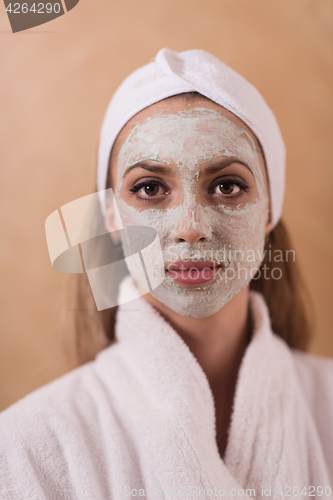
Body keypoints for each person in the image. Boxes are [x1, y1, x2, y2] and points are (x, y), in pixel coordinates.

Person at [1, 48, 332, 499]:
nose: (191, 228)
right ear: (111, 217)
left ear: (271, 208)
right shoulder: (24, 450)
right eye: (150, 188)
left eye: (228, 185)